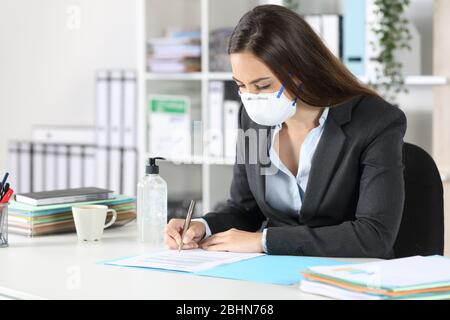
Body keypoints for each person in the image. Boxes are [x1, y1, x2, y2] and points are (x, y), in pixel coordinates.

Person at [164, 4, 406, 258]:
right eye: (241, 86)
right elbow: (244, 209)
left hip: (347, 276)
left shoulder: (376, 122)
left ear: (301, 71)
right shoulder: (252, 119)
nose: (250, 97)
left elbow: (374, 235)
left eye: (262, 85)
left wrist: (264, 241)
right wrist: (201, 226)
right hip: (274, 273)